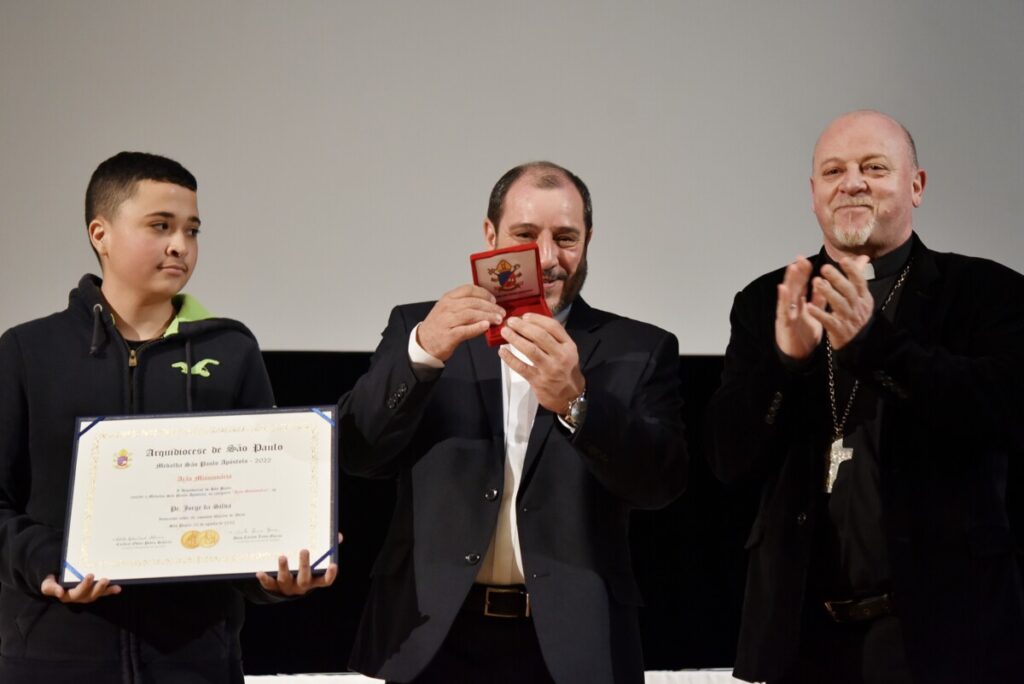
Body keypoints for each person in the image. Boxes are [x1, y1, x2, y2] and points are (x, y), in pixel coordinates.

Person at [338, 161, 687, 684]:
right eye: (525, 235)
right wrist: (422, 355)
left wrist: (577, 403)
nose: (547, 259)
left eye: (566, 238)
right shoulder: (420, 327)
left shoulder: (639, 348)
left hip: (572, 647)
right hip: (430, 639)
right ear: (489, 235)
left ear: (589, 240)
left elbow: (661, 484)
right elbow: (358, 452)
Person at [708, 110, 1024, 683]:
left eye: (874, 168)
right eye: (833, 171)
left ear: (917, 185)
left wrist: (875, 346)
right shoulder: (766, 301)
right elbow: (730, 459)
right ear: (813, 195)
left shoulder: (988, 292)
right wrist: (785, 365)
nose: (851, 182)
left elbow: (1001, 410)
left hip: (944, 636)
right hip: (801, 637)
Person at [0, 152, 337, 684]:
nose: (181, 244)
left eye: (192, 229)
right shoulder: (27, 351)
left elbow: (258, 508)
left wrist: (276, 574)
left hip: (196, 659)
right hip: (53, 655)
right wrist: (50, 562)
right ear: (100, 233)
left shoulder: (231, 349)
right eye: (160, 226)